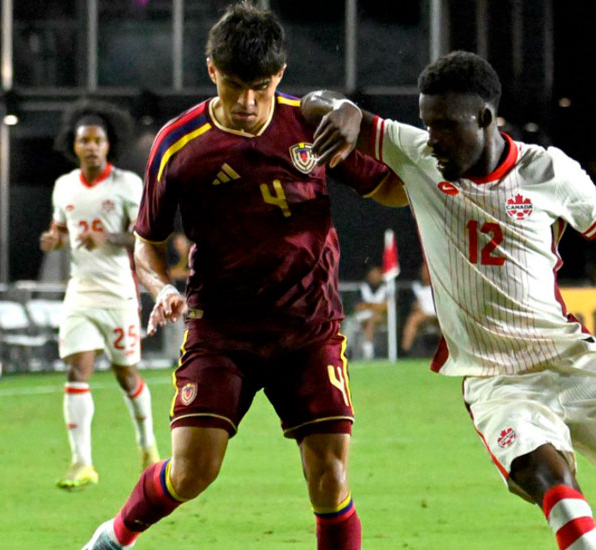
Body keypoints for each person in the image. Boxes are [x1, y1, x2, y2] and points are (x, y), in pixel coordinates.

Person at [306, 51, 596, 550]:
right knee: (564, 501)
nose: (433, 138)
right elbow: (313, 104)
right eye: (427, 124)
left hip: (570, 359)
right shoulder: (419, 155)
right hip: (497, 380)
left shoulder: (549, 172)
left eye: (446, 126)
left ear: (485, 118)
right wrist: (344, 110)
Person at [81, 4, 402, 549]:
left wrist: (440, 184)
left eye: (261, 87)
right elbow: (147, 242)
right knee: (192, 473)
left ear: (280, 74)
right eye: (235, 86)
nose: (248, 102)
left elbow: (388, 187)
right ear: (212, 71)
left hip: (309, 328)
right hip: (221, 331)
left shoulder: (311, 126)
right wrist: (161, 289)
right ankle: (112, 539)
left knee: (330, 478)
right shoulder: (178, 144)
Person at [39, 99, 160, 490]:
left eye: (98, 140)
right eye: (84, 141)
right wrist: (54, 240)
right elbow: (61, 230)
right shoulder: (64, 186)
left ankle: (147, 446)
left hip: (118, 293)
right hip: (80, 293)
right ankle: (81, 463)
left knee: (126, 375)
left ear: (109, 144)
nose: (91, 147)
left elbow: (141, 236)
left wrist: (107, 237)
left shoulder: (127, 185)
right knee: (77, 371)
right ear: (73, 145)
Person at [401, 263, 438, 355]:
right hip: (423, 315)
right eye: (423, 271)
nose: (425, 273)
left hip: (438, 316)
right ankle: (405, 351)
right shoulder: (416, 287)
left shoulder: (439, 287)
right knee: (412, 319)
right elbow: (414, 305)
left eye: (427, 271)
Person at [354, 265, 388, 359]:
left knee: (371, 320)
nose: (374, 277)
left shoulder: (386, 288)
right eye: (372, 274)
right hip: (362, 318)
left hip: (382, 318)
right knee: (366, 322)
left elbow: (387, 307)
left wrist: (369, 305)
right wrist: (376, 306)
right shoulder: (362, 288)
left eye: (376, 274)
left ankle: (368, 351)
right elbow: (358, 307)